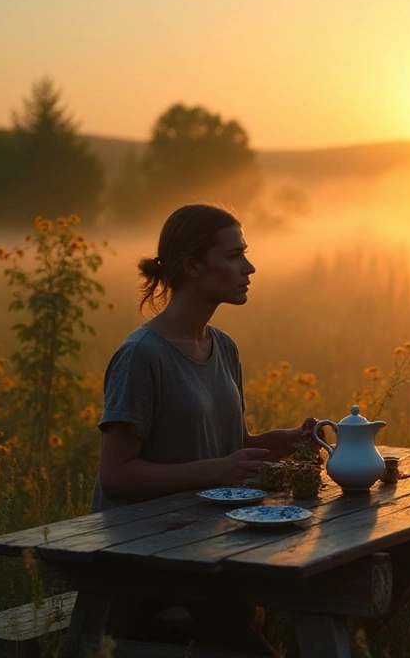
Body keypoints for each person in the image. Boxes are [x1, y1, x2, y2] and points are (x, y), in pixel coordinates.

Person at [90, 203, 313, 652]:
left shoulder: (223, 347)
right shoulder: (142, 356)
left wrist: (278, 444)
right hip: (141, 559)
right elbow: (117, 476)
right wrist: (214, 470)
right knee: (240, 619)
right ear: (193, 265)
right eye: (233, 256)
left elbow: (225, 450)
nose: (249, 267)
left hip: (206, 545)